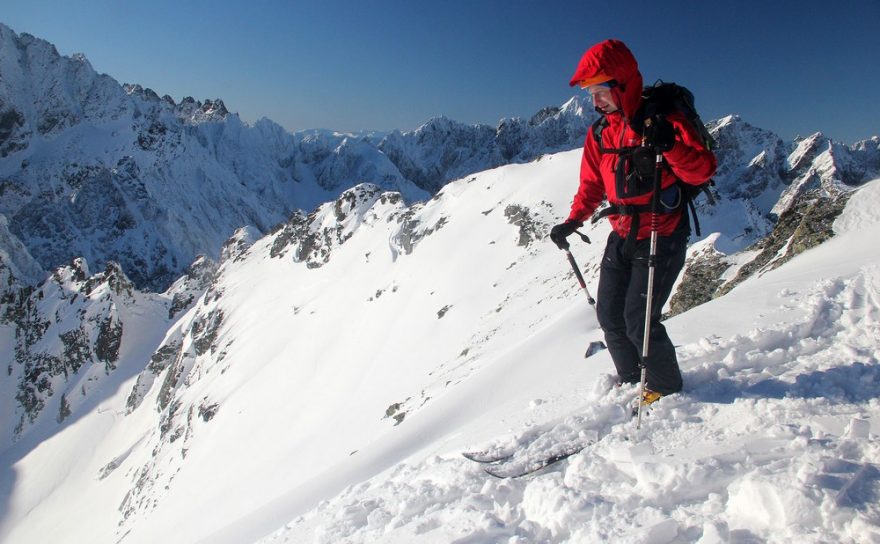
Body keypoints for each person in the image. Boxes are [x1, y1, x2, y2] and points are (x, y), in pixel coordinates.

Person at [550, 39, 717, 408]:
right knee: (609, 315)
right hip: (622, 233)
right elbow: (592, 184)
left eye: (600, 92)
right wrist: (572, 220)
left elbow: (701, 169)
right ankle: (632, 381)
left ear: (623, 84)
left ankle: (666, 389)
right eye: (590, 94)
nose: (595, 102)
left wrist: (669, 145)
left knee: (638, 320)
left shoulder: (664, 121)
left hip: (661, 233)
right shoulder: (600, 133)